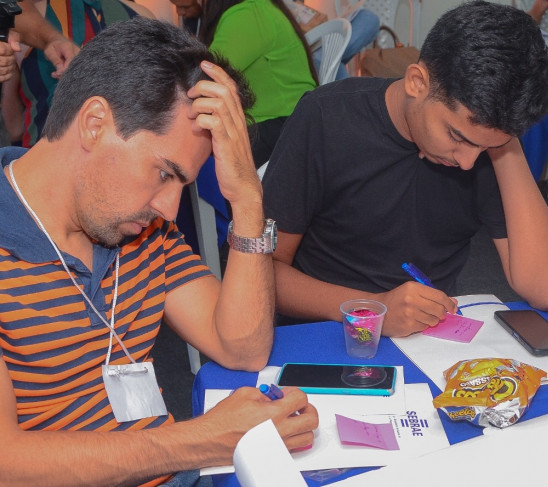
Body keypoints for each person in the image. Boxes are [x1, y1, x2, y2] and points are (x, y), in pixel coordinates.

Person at [0, 17, 318, 486]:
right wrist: (203, 440)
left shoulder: (141, 229)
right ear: (94, 124)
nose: (169, 210)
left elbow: (243, 347)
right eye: (164, 173)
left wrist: (248, 199)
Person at [262, 1, 548, 337]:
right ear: (417, 82)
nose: (467, 162)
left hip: (428, 340)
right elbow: (264, 272)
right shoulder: (327, 118)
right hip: (325, 331)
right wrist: (373, 308)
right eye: (457, 137)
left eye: (486, 146)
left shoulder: (487, 145)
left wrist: (505, 146)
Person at [17, 0, 156, 147]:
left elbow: (14, 127)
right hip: (123, 150)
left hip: (46, 151)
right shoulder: (142, 16)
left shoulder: (26, 19)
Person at [199, 0, 318, 166]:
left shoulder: (247, 15)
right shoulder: (260, 8)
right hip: (294, 123)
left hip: (282, 129)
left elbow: (204, 76)